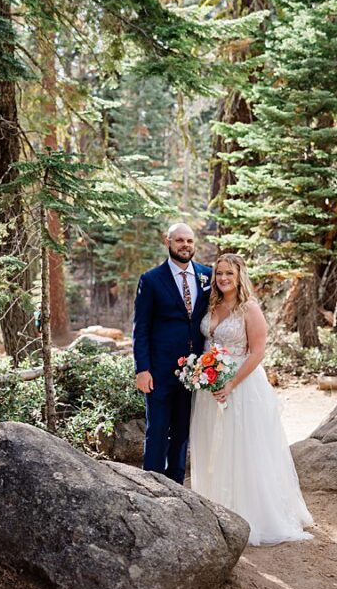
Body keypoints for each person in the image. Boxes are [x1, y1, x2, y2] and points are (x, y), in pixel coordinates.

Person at [189, 253, 314, 544]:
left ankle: (249, 514)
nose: (222, 279)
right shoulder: (212, 304)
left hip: (241, 386)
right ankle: (215, 506)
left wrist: (231, 383)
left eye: (228, 274)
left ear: (239, 276)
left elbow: (257, 351)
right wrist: (203, 373)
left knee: (240, 447)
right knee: (213, 446)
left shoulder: (249, 308)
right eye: (219, 273)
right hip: (210, 384)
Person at [131, 222, 212, 484]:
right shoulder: (151, 280)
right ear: (168, 242)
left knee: (181, 432)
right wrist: (142, 369)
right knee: (157, 430)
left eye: (189, 241)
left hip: (195, 372)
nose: (185, 245)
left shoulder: (207, 276)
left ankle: (176, 486)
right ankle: (151, 484)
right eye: (179, 241)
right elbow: (140, 328)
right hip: (159, 370)